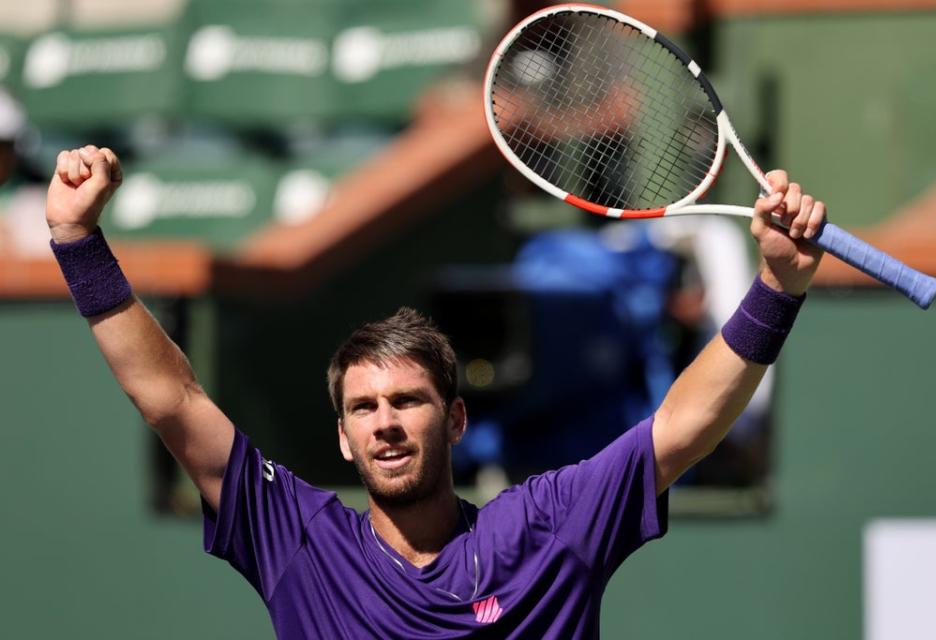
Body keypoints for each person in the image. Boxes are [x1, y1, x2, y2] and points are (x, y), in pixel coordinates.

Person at [46, 145, 824, 638]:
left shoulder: (547, 529)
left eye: (406, 402)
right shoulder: (299, 540)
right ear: (344, 437)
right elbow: (171, 400)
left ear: (454, 418)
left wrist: (775, 286)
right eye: (364, 408)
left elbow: (684, 425)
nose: (385, 424)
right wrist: (79, 245)